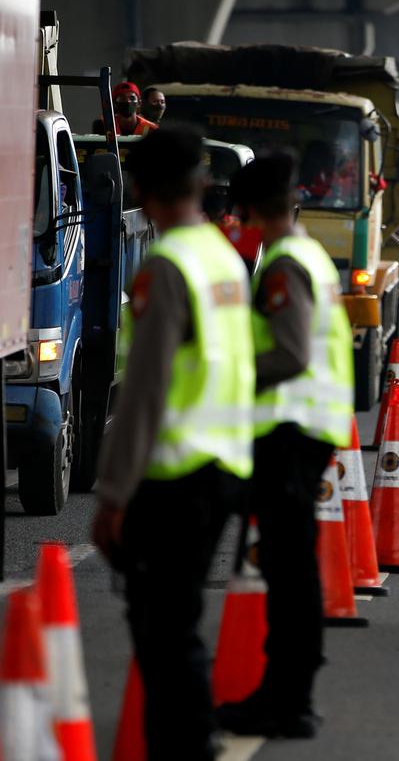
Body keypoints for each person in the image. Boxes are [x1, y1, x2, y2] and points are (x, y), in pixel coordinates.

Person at [90, 127, 254, 760]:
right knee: (179, 624)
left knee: (161, 633)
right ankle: (195, 737)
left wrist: (112, 494)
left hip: (171, 476)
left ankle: (186, 744)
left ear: (142, 189)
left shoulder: (168, 267)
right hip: (222, 468)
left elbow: (144, 391)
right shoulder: (224, 259)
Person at [215, 153, 354, 739]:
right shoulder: (308, 255)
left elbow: (291, 354)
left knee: (289, 569)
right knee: (289, 564)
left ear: (247, 213)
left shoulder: (283, 267)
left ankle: (290, 699)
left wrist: (228, 370)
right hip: (307, 429)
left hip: (290, 433)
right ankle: (284, 691)